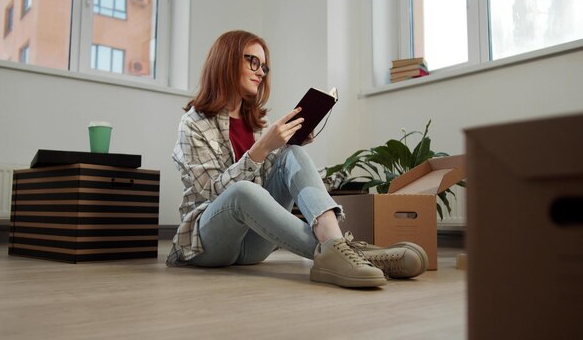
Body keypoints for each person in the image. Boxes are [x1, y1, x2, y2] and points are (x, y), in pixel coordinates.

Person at [167, 30, 427, 288]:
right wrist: (262, 147)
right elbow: (212, 193)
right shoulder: (193, 124)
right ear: (226, 60)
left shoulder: (258, 122)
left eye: (264, 67)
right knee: (242, 191)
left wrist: (284, 148)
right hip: (208, 244)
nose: (260, 72)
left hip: (252, 245)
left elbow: (269, 184)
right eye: (253, 62)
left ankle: (334, 243)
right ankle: (355, 254)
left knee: (293, 152)